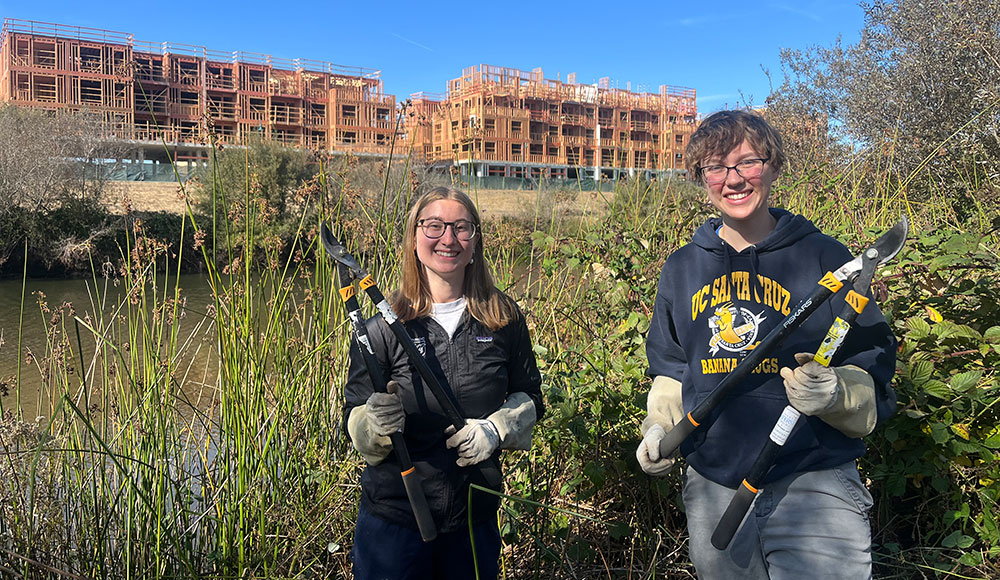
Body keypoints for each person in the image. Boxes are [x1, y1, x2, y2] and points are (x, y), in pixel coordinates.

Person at [635, 110, 897, 579]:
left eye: (748, 162)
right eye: (716, 167)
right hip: (714, 484)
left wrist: (836, 393)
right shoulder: (681, 269)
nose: (733, 179)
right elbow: (672, 370)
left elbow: (870, 364)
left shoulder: (825, 256)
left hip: (814, 478)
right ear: (702, 178)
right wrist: (660, 427)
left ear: (773, 166)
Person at [344, 186, 544, 580]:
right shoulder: (379, 331)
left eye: (461, 228)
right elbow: (352, 421)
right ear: (414, 237)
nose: (448, 239)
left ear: (476, 240)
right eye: (433, 226)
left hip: (474, 519)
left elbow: (532, 398)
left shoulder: (503, 319)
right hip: (395, 523)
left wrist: (497, 428)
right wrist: (372, 423)